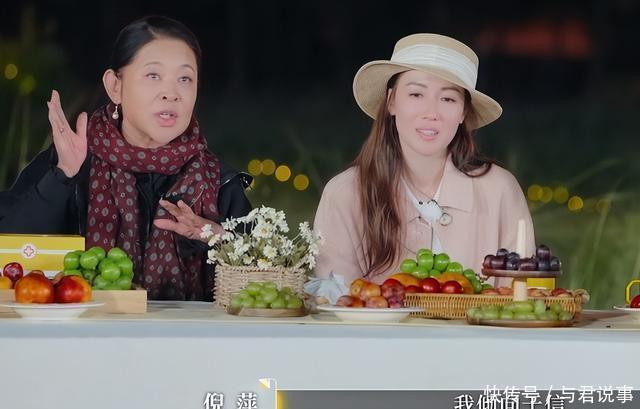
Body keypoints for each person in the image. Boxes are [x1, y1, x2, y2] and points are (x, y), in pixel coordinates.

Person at [0, 16, 252, 301]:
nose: (171, 94)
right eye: (153, 76)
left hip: (185, 330)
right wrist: (61, 177)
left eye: (185, 79)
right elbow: (8, 253)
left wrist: (216, 235)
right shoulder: (72, 160)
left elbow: (268, 277)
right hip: (85, 327)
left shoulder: (218, 181)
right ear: (115, 86)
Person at [313, 33, 535, 287]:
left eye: (448, 99)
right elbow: (335, 300)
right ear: (391, 101)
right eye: (416, 94)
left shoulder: (500, 190)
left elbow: (523, 298)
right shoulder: (345, 193)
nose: (432, 113)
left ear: (463, 112)